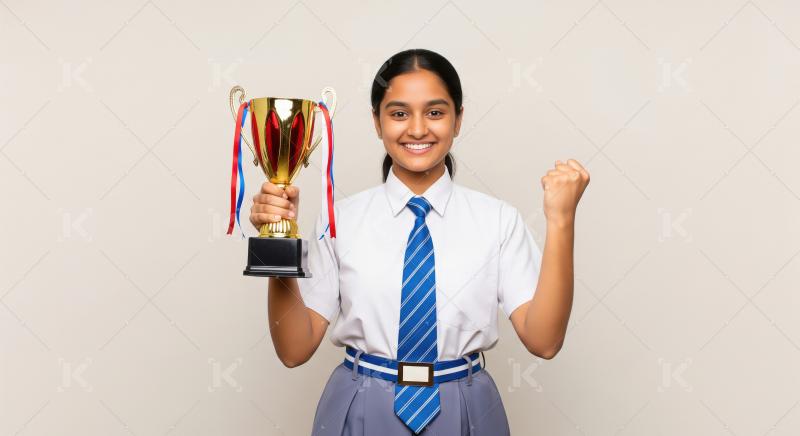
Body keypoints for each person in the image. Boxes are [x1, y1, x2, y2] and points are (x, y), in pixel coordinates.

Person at [249, 48, 590, 435]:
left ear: (458, 119)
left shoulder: (497, 220)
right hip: (361, 402)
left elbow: (544, 341)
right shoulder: (338, 218)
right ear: (377, 123)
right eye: (398, 113)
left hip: (465, 406)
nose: (416, 129)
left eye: (435, 112)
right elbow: (293, 349)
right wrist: (276, 241)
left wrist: (561, 221)